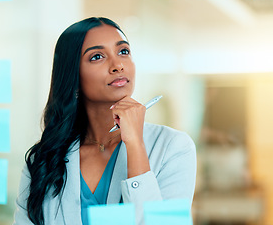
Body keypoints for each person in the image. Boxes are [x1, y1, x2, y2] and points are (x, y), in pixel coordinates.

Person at [13, 17, 197, 225]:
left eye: (123, 51)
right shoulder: (44, 159)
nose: (117, 65)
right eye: (97, 56)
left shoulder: (174, 147)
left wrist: (135, 144)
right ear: (73, 74)